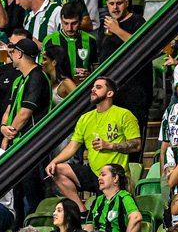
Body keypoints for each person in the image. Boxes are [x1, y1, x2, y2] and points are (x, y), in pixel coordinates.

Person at [45, 76, 141, 210]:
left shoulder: (124, 114)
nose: (93, 90)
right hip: (94, 172)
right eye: (93, 87)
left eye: (98, 87)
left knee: (106, 214)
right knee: (57, 170)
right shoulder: (85, 118)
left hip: (114, 175)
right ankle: (82, 210)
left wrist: (110, 145)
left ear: (110, 93)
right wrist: (54, 162)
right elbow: (72, 146)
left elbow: (136, 145)